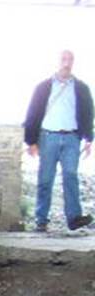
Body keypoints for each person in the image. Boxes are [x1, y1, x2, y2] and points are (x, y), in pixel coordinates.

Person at [23, 50, 93, 232]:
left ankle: (74, 217)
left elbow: (88, 113)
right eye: (63, 59)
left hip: (72, 137)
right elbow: (33, 112)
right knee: (45, 178)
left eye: (70, 60)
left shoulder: (81, 88)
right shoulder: (43, 87)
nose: (66, 63)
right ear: (56, 62)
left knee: (71, 175)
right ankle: (41, 220)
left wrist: (88, 138)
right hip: (48, 137)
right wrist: (31, 141)